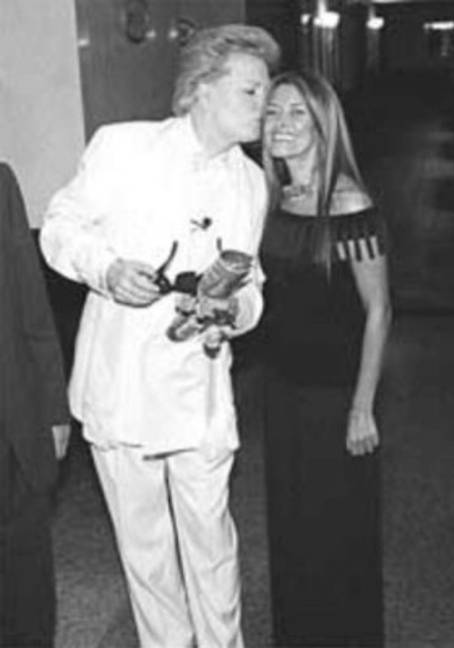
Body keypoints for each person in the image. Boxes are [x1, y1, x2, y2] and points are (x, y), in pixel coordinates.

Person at [40, 24, 279, 648]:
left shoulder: (251, 182)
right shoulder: (123, 147)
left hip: (201, 391)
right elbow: (59, 227)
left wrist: (233, 312)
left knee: (213, 540)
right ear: (201, 88)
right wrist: (107, 270)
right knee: (145, 548)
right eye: (251, 90)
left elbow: (253, 286)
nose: (266, 103)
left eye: (266, 90)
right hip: (123, 387)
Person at [260, 72, 392, 647]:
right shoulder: (274, 200)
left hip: (334, 395)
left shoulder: (349, 203)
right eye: (272, 112)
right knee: (291, 528)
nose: (281, 125)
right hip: (281, 389)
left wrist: (362, 407)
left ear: (323, 125)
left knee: (335, 531)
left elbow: (379, 311)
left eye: (297, 114)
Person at [0, 163, 70, 648]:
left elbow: (30, 302)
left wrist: (53, 406)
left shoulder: (0, 185)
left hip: (12, 415)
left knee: (23, 570)